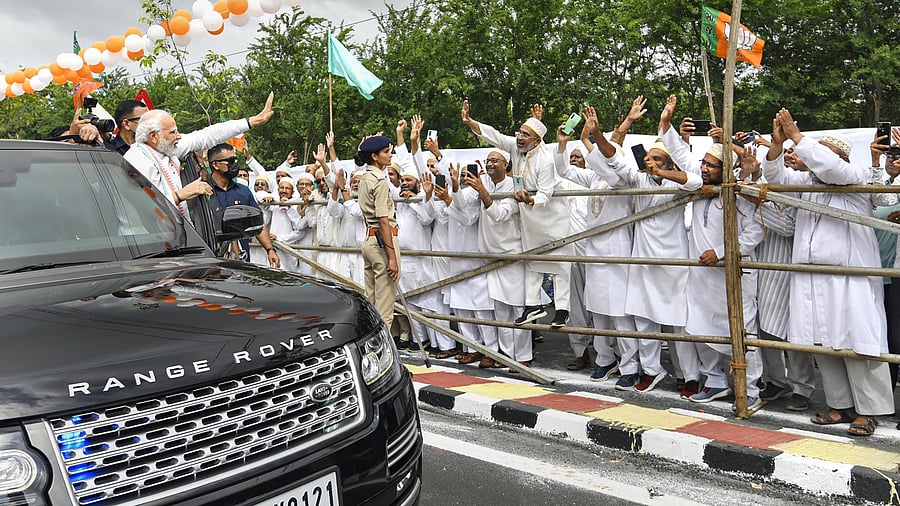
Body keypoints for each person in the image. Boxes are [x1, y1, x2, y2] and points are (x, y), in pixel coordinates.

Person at [763, 109, 894, 436]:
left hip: (852, 278)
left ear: (840, 158)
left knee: (858, 340)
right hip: (814, 277)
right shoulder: (807, 181)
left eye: (823, 153)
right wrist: (777, 146)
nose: (815, 158)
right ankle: (841, 406)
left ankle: (869, 411)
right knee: (825, 341)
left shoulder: (855, 175)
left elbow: (832, 168)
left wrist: (797, 135)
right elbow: (775, 178)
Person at [594, 99, 703, 393]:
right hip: (642, 262)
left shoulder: (674, 184)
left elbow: (696, 181)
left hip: (672, 264)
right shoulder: (638, 180)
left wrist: (662, 173)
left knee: (678, 324)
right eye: (648, 159)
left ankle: (690, 376)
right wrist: (598, 136)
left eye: (657, 159)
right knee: (643, 321)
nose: (649, 162)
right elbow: (614, 160)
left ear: (669, 164)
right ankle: (651, 371)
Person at [461, 100, 573, 328]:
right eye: (519, 132)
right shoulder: (518, 147)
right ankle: (533, 306)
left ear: (537, 141)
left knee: (559, 262)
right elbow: (496, 137)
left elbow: (545, 194)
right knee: (532, 260)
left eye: (525, 135)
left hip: (551, 213)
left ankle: (562, 310)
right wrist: (470, 122)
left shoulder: (545, 160)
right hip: (529, 213)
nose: (519, 137)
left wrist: (530, 199)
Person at [466, 151, 531, 368]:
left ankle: (523, 358)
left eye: (495, 160)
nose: (490, 164)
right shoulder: (483, 184)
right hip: (491, 256)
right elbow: (460, 203)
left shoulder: (515, 185)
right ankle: (506, 356)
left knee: (518, 310)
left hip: (512, 256)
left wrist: (482, 192)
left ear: (506, 164)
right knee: (501, 312)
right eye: (488, 161)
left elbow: (500, 214)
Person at [206, 143, 280, 268]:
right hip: (212, 261)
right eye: (230, 160)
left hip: (241, 260)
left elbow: (258, 224)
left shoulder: (243, 191)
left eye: (235, 159)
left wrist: (270, 249)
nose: (235, 163)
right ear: (215, 164)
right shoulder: (203, 190)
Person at [357, 135, 401, 329]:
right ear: (375, 156)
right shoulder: (379, 180)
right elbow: (383, 220)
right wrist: (392, 257)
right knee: (384, 311)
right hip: (382, 241)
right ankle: (382, 354)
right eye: (386, 152)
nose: (390, 155)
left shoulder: (365, 177)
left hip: (370, 240)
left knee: (372, 303)